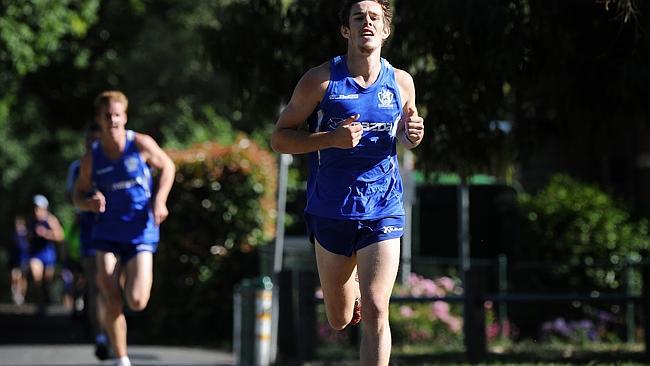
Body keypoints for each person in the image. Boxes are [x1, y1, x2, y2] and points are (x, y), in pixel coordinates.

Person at [270, 1, 424, 365]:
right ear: (346, 31)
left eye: (375, 18)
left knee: (375, 309)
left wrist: (412, 135)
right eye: (359, 18)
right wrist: (328, 139)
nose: (367, 23)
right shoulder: (320, 81)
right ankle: (349, 285)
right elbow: (280, 138)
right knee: (339, 319)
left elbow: (405, 134)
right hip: (331, 209)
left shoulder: (402, 82)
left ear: (386, 30)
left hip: (383, 206)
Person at [73, 90, 175, 366]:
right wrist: (88, 203)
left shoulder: (140, 144)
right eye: (107, 116)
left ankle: (119, 301)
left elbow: (168, 166)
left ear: (125, 117)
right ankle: (121, 359)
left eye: (118, 115)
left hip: (140, 231)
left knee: (138, 300)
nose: (113, 120)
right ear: (99, 120)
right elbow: (77, 195)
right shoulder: (91, 158)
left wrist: (160, 200)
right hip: (106, 234)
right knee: (109, 293)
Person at [66, 123, 113, 360]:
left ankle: (111, 329)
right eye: (89, 142)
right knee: (96, 284)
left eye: (97, 141)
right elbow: (72, 199)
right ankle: (101, 336)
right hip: (89, 231)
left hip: (116, 229)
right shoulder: (77, 168)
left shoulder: (114, 162)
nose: (92, 146)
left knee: (112, 284)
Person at [28, 194, 65, 311]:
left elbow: (60, 236)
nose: (36, 210)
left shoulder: (50, 220)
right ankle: (40, 305)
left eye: (38, 207)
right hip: (35, 254)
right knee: (37, 278)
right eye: (35, 207)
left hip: (48, 254)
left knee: (46, 281)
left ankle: (45, 301)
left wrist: (46, 234)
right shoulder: (31, 220)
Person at [9, 216, 30, 305]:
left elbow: (28, 248)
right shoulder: (14, 235)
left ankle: (21, 296)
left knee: (23, 278)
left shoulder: (27, 235)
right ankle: (16, 293)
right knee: (15, 277)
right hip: (15, 261)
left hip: (24, 260)